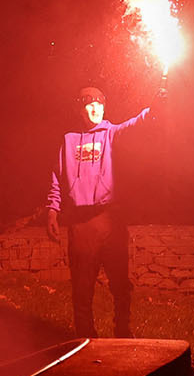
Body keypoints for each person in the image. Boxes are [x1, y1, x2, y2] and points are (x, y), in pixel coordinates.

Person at [46, 85, 157, 339]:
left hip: (110, 220)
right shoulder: (68, 140)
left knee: (119, 283)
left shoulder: (111, 133)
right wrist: (53, 209)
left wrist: (155, 108)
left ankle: (123, 331)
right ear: (80, 109)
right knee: (82, 288)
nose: (95, 107)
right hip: (81, 224)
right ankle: (85, 338)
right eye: (89, 103)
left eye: (99, 103)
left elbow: (137, 124)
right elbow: (57, 176)